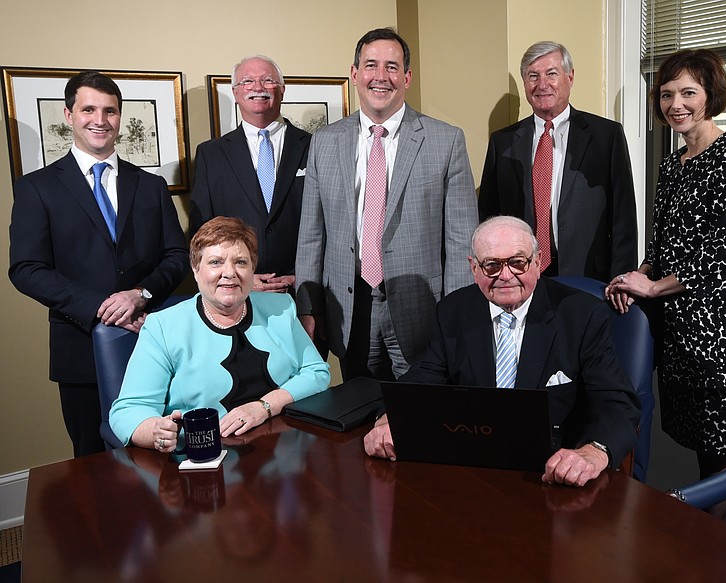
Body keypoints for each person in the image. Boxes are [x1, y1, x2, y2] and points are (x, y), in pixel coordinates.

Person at [606, 49, 726, 514]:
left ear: (710, 96)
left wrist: (656, 289)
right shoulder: (673, 163)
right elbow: (663, 247)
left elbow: (725, 254)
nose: (675, 104)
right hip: (682, 333)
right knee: (695, 450)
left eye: (687, 93)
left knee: (720, 466)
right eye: (666, 94)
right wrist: (637, 275)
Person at [364, 216, 641, 487]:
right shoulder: (454, 311)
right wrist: (388, 418)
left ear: (538, 261)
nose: (506, 276)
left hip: (552, 474)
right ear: (474, 268)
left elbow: (616, 402)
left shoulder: (581, 315)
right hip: (471, 470)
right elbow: (424, 377)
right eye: (492, 265)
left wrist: (593, 452)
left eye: (518, 262)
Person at [9, 71, 189, 457]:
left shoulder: (150, 186)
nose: (100, 119)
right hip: (81, 348)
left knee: (158, 451)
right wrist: (101, 308)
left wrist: (140, 294)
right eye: (88, 108)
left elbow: (178, 256)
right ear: (68, 114)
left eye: (110, 110)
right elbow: (26, 269)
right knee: (92, 460)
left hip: (151, 341)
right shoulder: (37, 188)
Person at [295, 27, 479, 380]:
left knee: (420, 418)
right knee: (358, 414)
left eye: (392, 67)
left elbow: (461, 242)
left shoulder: (445, 140)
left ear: (407, 77)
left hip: (422, 310)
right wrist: (308, 306)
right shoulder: (325, 142)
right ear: (354, 74)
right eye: (371, 65)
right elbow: (311, 237)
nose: (381, 77)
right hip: (348, 308)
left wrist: (459, 313)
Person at [110, 217, 330, 451]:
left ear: (252, 268)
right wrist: (155, 431)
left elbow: (316, 372)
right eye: (215, 262)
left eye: (241, 262)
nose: (229, 273)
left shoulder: (281, 307)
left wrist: (264, 407)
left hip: (286, 451)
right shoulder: (163, 327)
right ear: (196, 270)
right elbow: (128, 411)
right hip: (207, 456)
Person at [478, 41, 637, 282]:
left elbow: (623, 218)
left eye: (551, 74)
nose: (542, 85)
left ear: (570, 77)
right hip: (520, 277)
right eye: (533, 76)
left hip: (588, 276)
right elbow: (489, 216)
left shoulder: (606, 136)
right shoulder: (502, 142)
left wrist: (623, 280)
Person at [190, 55, 310, 293]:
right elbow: (203, 231)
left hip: (303, 288)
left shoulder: (314, 146)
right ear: (235, 93)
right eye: (247, 82)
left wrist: (302, 275)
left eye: (268, 80)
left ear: (282, 90)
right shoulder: (210, 154)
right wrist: (239, 276)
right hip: (234, 290)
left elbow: (330, 222)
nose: (258, 88)